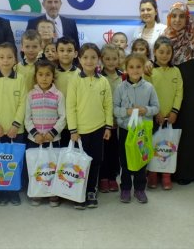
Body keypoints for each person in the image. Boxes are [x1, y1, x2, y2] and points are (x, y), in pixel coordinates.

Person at [163, 2, 194, 185]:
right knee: (170, 129)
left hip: (191, 91)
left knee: (189, 132)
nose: (177, 20)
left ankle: (188, 172)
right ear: (169, 18)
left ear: (187, 18)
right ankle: (167, 171)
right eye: (174, 16)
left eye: (181, 16)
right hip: (170, 89)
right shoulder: (164, 38)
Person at [66, 43, 113, 209]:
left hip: (99, 129)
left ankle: (91, 190)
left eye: (93, 57)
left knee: (95, 161)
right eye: (85, 57)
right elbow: (70, 106)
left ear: (98, 60)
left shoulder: (104, 82)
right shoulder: (75, 81)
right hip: (80, 131)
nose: (89, 60)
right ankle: (79, 192)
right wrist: (73, 130)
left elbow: (108, 105)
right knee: (79, 163)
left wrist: (108, 126)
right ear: (79, 59)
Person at [0, 42, 27, 206]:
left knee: (15, 162)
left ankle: (14, 190)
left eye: (9, 57)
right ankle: (2, 191)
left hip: (16, 129)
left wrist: (16, 125)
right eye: (1, 57)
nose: (6, 60)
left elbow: (23, 103)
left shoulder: (21, 79)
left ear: (15, 59)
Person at [114, 53, 159, 204]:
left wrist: (145, 110)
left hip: (142, 132)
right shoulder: (120, 88)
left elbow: (156, 107)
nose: (135, 70)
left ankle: (140, 188)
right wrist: (126, 112)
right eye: (131, 67)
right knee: (125, 161)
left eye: (138, 67)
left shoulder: (149, 87)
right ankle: (126, 188)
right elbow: (114, 109)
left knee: (142, 159)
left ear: (143, 68)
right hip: (126, 130)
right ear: (126, 69)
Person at [24, 60, 66, 207]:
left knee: (52, 166)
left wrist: (52, 133)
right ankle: (37, 192)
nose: (44, 78)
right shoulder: (30, 95)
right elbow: (27, 118)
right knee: (37, 166)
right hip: (34, 138)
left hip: (53, 139)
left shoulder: (58, 95)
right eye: (40, 75)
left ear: (53, 77)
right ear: (36, 77)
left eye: (48, 75)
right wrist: (35, 133)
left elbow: (63, 117)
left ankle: (53, 193)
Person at [148, 37, 183, 190]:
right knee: (153, 147)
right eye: (161, 52)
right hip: (155, 116)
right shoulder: (149, 72)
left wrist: (174, 111)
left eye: (168, 52)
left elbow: (179, 93)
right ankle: (153, 174)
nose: (164, 55)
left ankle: (166, 175)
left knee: (167, 147)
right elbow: (147, 94)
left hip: (171, 117)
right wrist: (156, 113)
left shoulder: (176, 71)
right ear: (154, 52)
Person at [99, 44, 122, 193]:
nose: (111, 62)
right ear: (101, 59)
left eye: (114, 58)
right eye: (107, 58)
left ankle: (113, 177)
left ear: (119, 59)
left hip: (119, 123)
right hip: (102, 123)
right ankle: (103, 178)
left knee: (115, 152)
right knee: (103, 152)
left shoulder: (124, 76)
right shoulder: (98, 76)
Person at [54, 37, 79, 145]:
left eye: (69, 50)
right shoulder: (52, 73)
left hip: (75, 123)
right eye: (62, 50)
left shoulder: (80, 73)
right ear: (56, 53)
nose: (65, 54)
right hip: (55, 123)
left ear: (75, 53)